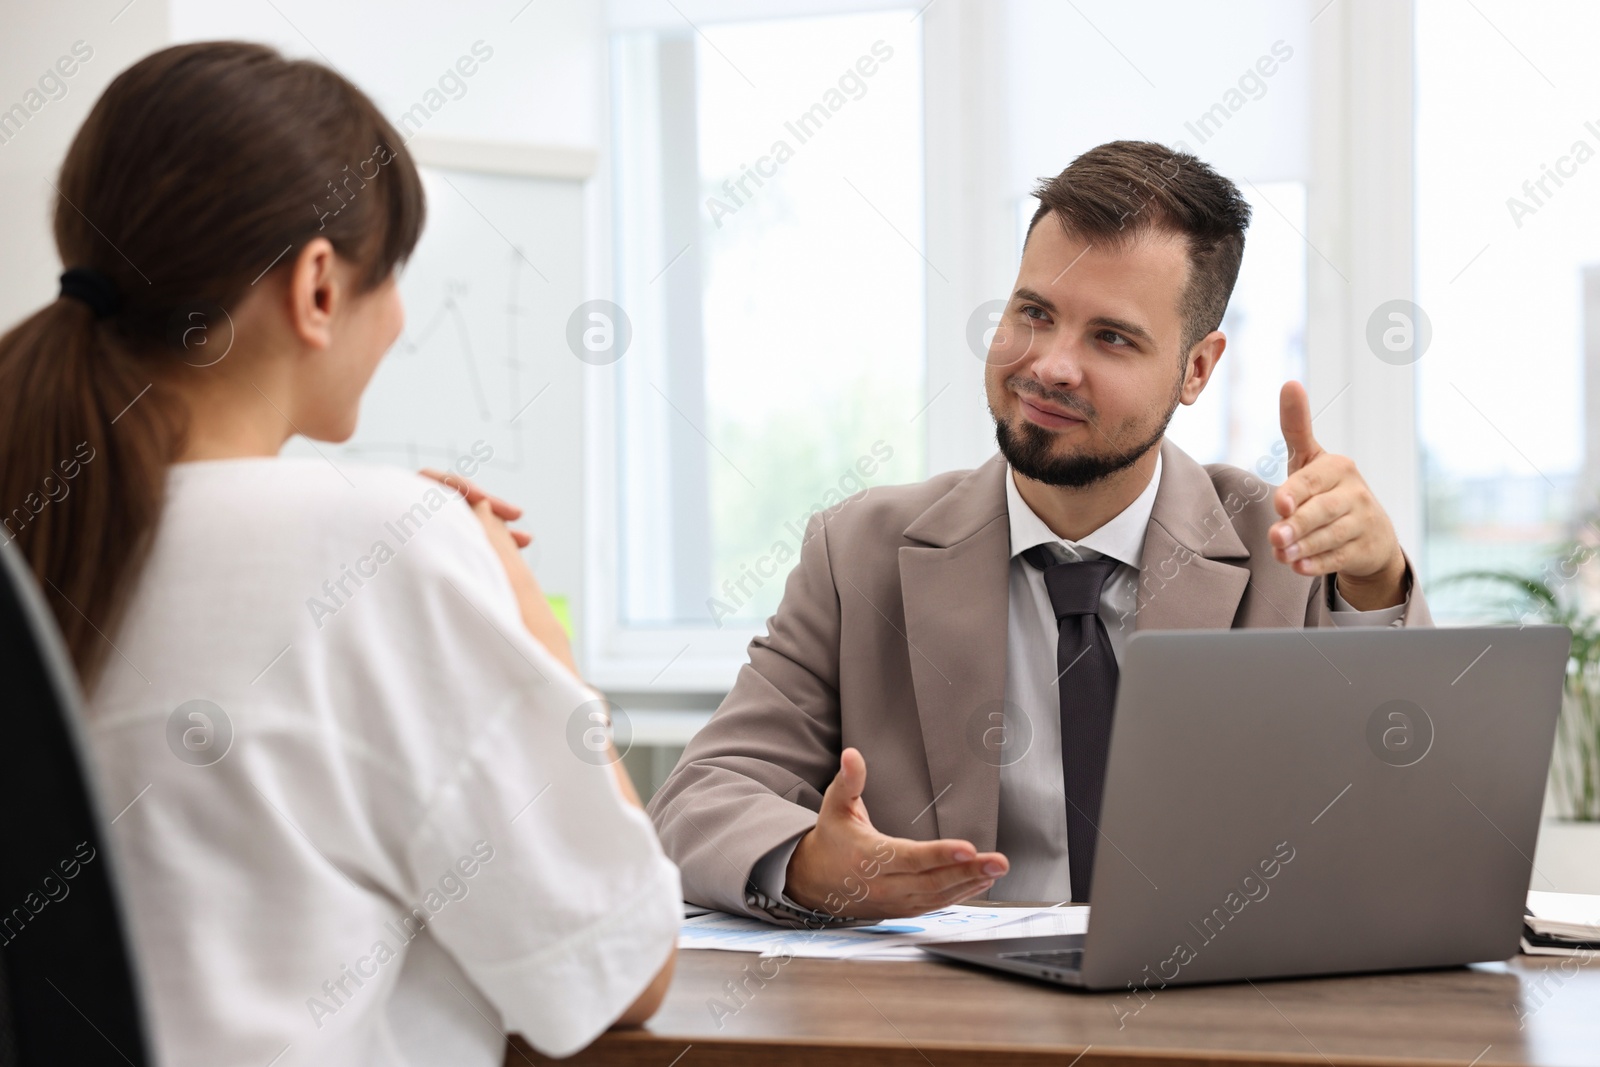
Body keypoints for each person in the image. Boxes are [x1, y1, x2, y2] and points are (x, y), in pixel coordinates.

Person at [0, 43, 677, 1065]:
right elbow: (621, 967)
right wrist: (520, 603)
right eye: (391, 275)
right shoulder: (378, 541)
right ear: (318, 286)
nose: (399, 315)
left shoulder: (32, 521)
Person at [648, 140, 1431, 924]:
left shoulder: (1286, 548)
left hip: (1204, 1017)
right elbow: (699, 801)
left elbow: (1413, 815)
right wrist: (812, 863)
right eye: (1035, 313)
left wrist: (1374, 583)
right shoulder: (857, 553)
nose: (1052, 365)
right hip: (949, 1028)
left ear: (1197, 370)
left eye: (1111, 337)